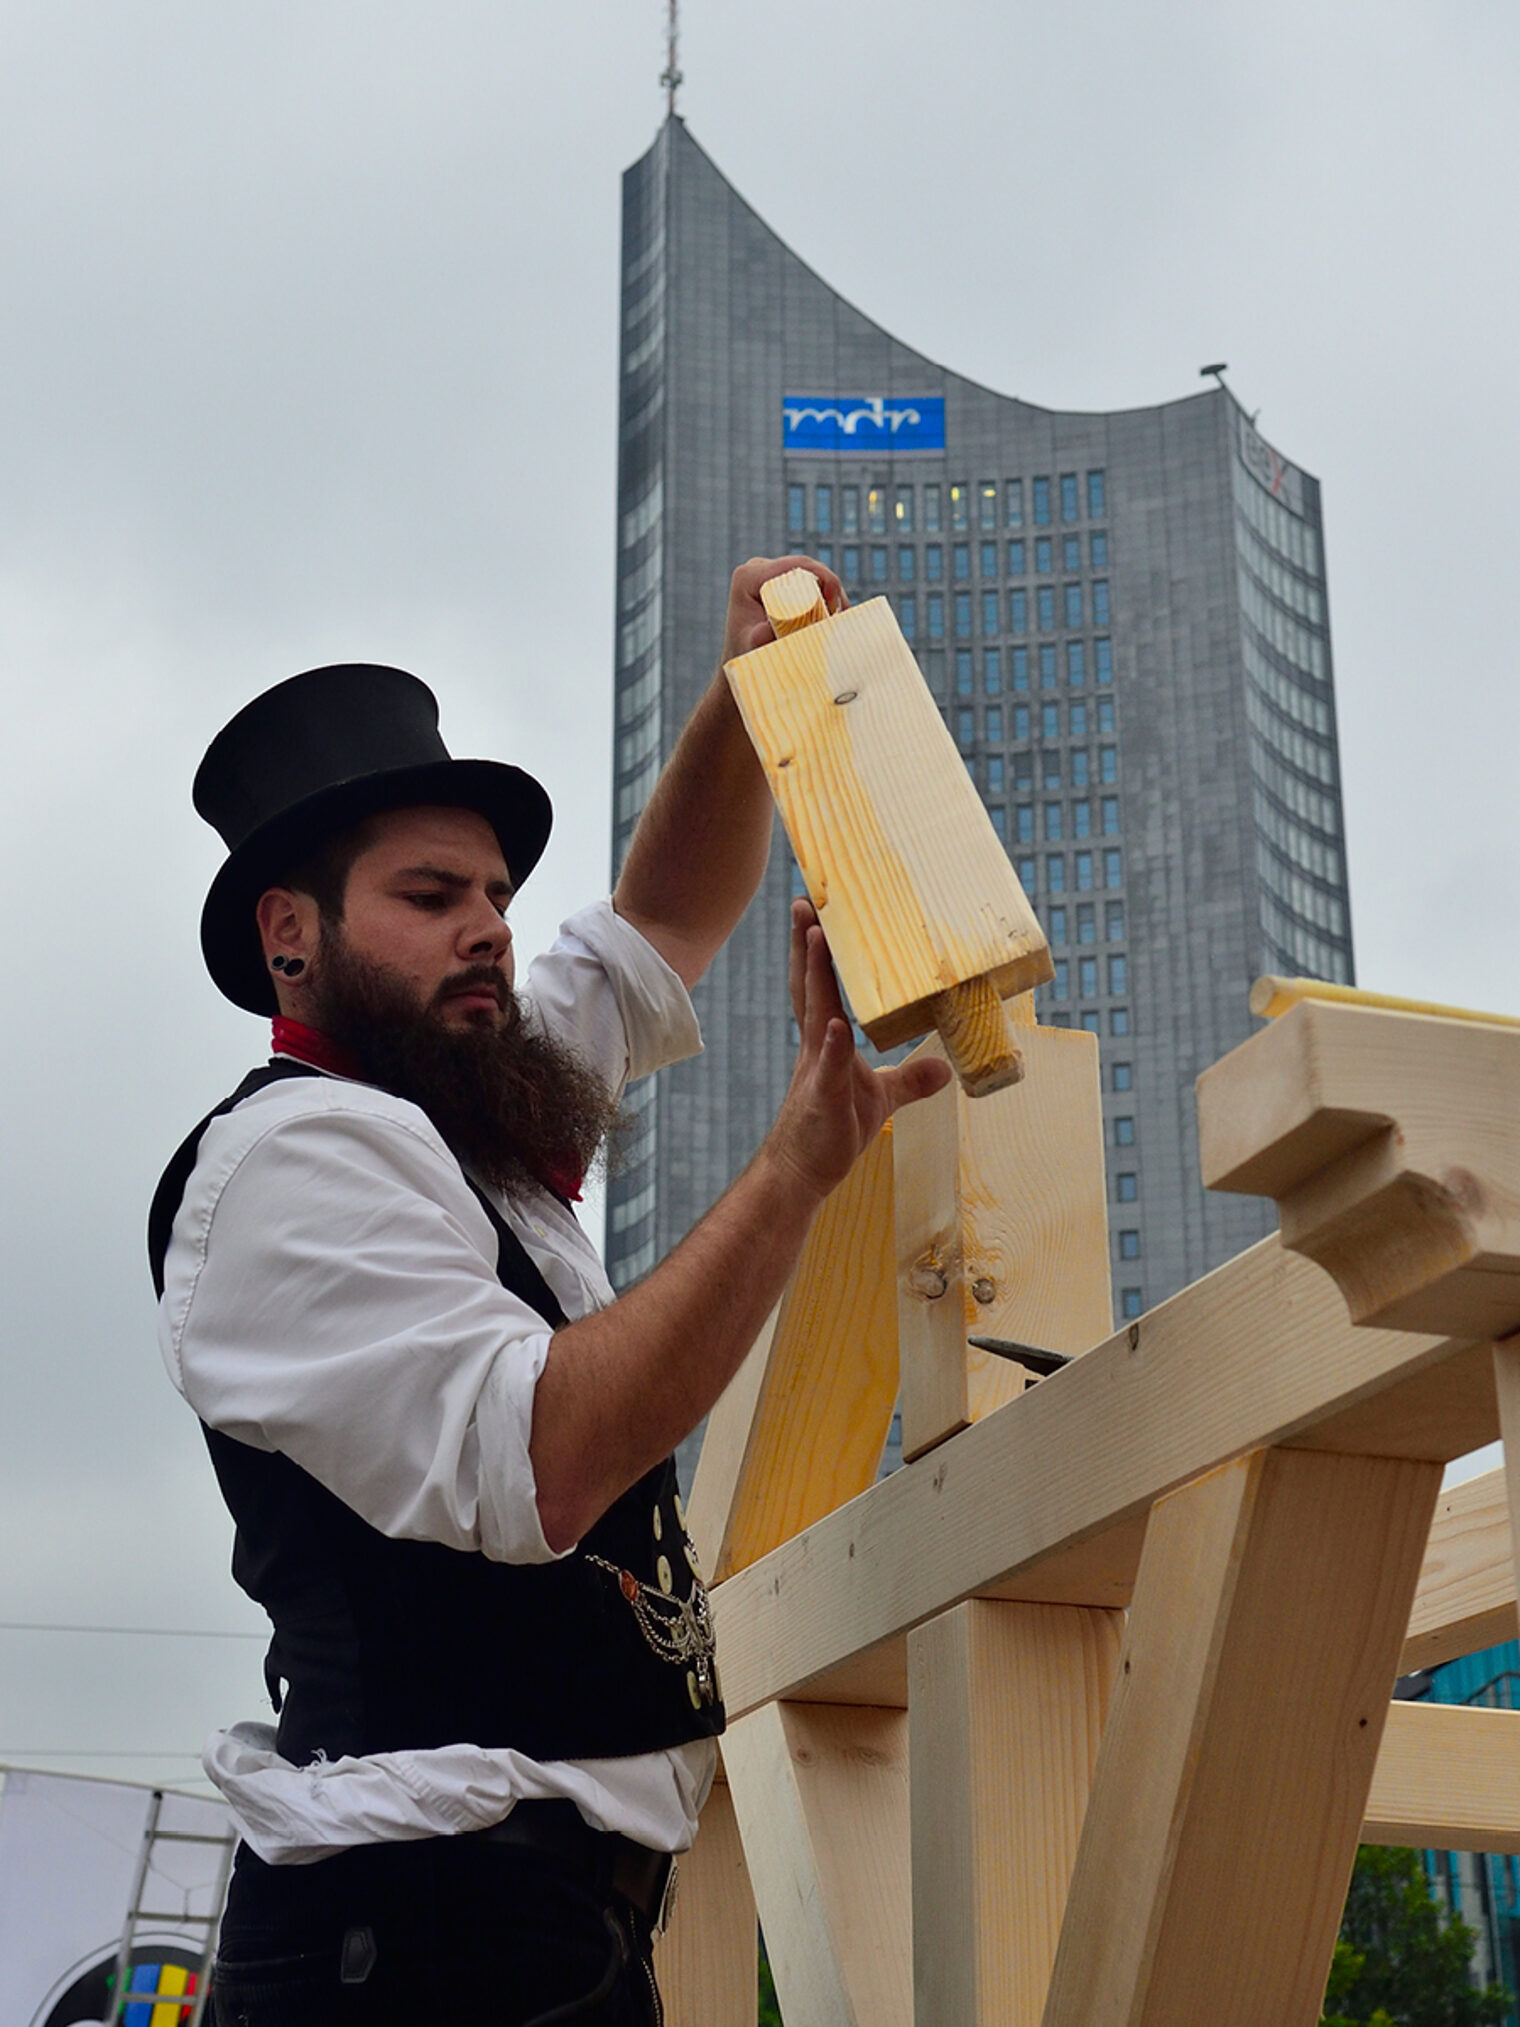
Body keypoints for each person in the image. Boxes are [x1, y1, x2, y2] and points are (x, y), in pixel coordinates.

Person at [151, 556, 950, 2026]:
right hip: (419, 1934)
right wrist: (796, 1167)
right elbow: (544, 1460)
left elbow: (662, 923)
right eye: (431, 894)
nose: (491, 929)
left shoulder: (465, 1102)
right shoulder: (293, 1158)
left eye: (499, 896)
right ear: (291, 933)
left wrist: (742, 688)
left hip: (518, 1926)